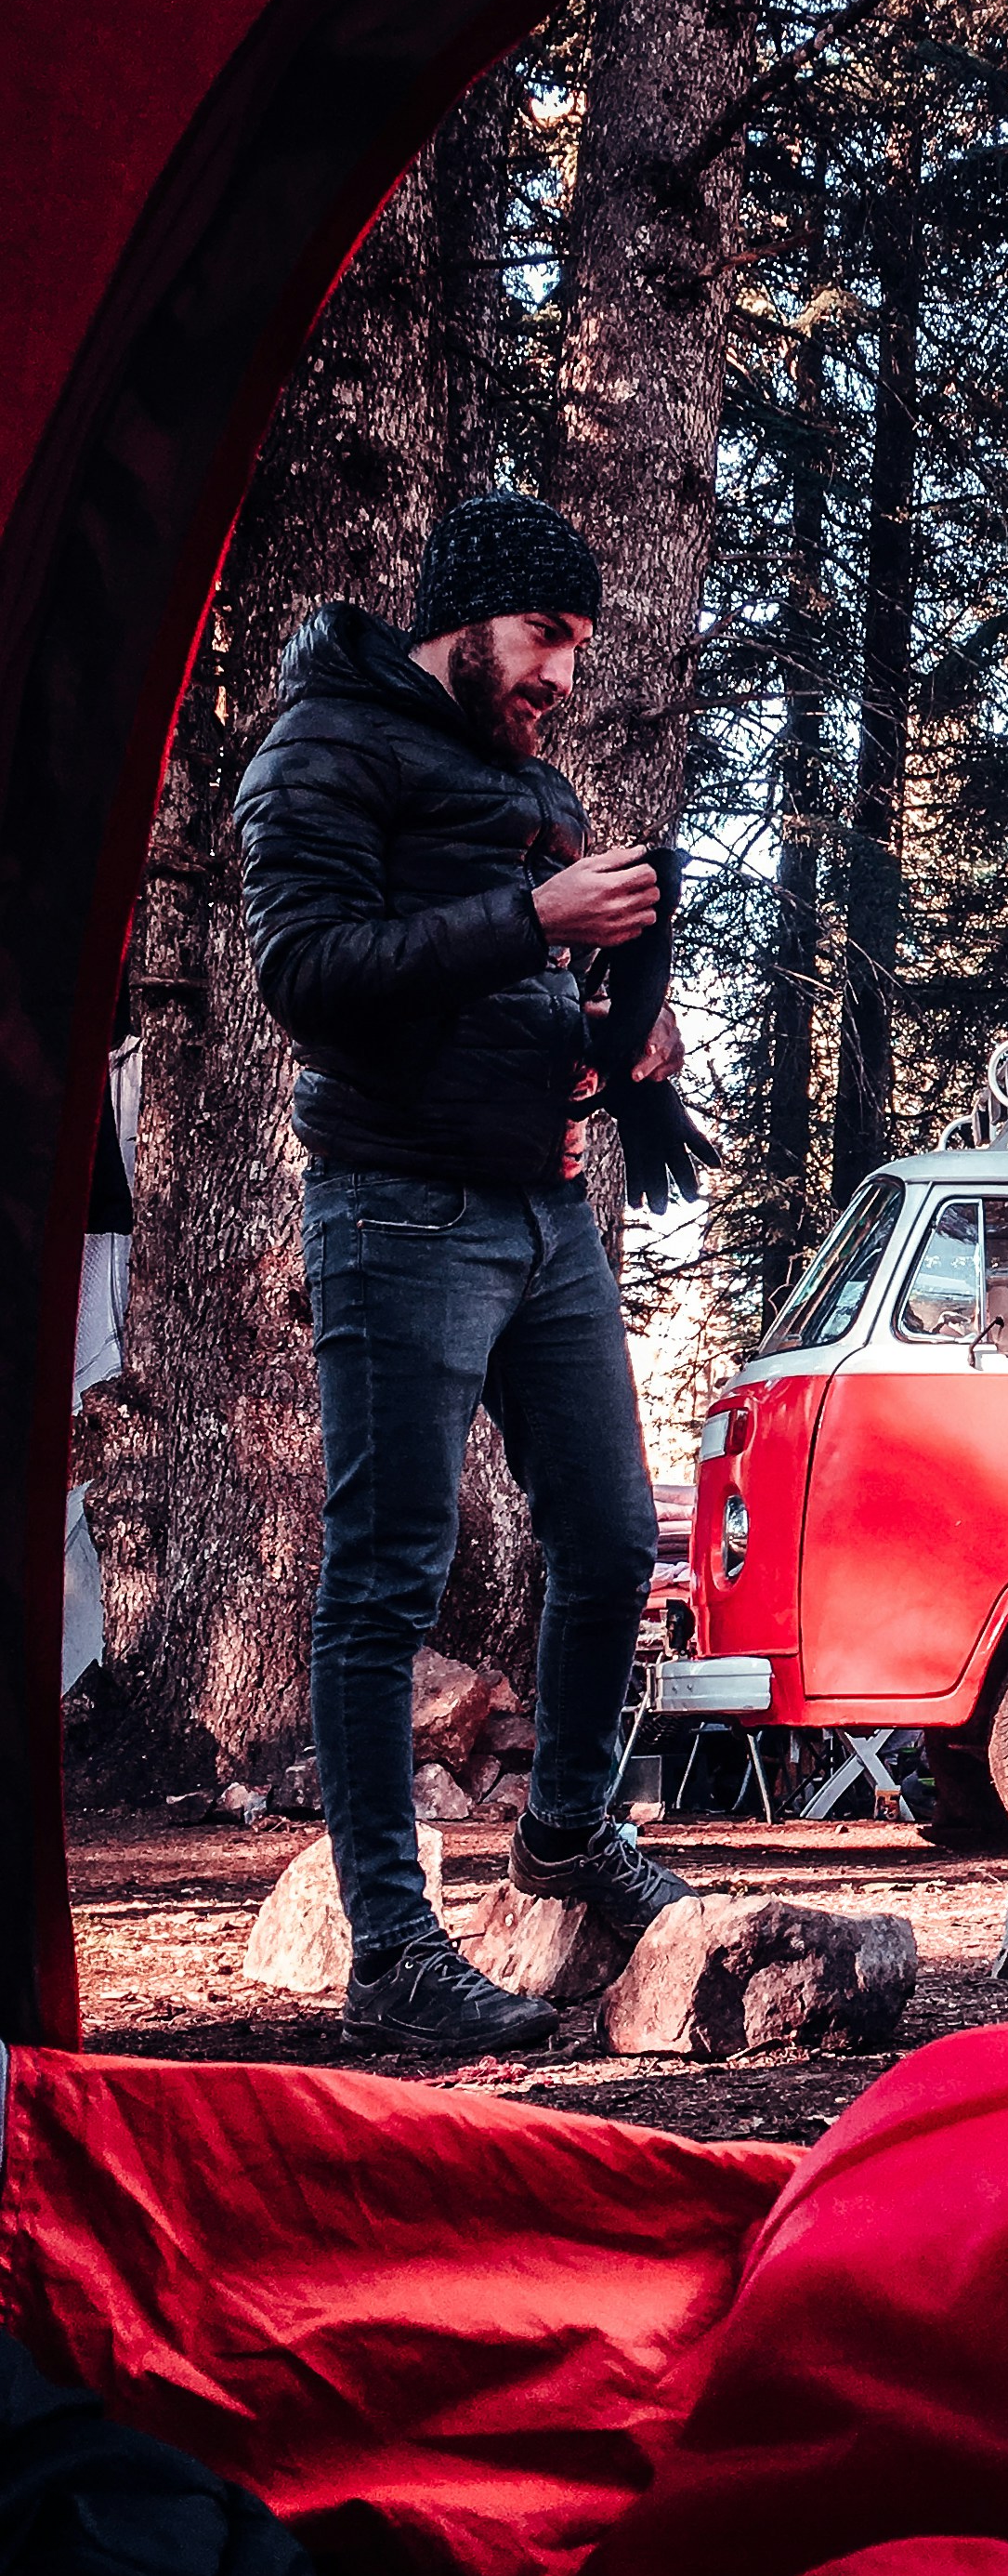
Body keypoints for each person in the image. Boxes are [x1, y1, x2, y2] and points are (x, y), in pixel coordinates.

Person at [237, 492, 711, 2057]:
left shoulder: (525, 781)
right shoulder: (321, 747)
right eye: (546, 640)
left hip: (539, 1210)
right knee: (384, 1573)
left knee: (603, 1536)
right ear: (461, 621)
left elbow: (509, 1004)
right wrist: (534, 920)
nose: (564, 675)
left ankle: (567, 1830)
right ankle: (392, 1948)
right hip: (394, 1206)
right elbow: (306, 978)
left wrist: (615, 1048)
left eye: (576, 647)